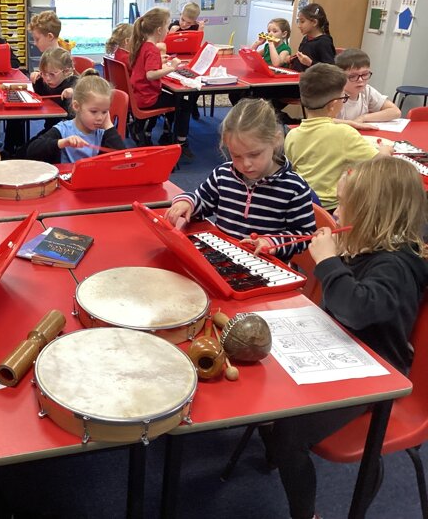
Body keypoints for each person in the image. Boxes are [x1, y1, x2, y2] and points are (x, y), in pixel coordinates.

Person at [267, 156, 428, 519]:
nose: (335, 214)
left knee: (290, 434)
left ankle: (305, 514)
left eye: (343, 205)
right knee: (264, 380)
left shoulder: (395, 265)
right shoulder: (368, 246)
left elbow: (355, 309)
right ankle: (270, 445)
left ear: (373, 213)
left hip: (375, 373)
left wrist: (328, 263)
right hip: (339, 349)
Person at [165, 98, 316, 260]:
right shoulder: (223, 174)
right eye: (236, 156)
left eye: (254, 154)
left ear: (276, 140)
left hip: (265, 267)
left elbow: (304, 235)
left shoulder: (294, 188)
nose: (246, 164)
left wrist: (272, 242)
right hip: (224, 259)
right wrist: (187, 202)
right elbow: (202, 200)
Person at [284, 63, 393, 212]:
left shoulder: (292, 135)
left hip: (303, 204)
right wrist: (385, 150)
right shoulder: (344, 134)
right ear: (333, 105)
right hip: (333, 208)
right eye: (344, 97)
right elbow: (381, 162)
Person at [128, 7, 192, 162]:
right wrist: (172, 68)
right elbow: (150, 75)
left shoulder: (143, 45)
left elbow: (145, 68)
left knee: (173, 98)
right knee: (185, 104)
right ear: (158, 30)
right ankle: (181, 141)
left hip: (138, 94)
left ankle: (163, 133)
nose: (168, 31)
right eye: (167, 27)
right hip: (148, 98)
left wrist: (160, 63)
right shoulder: (152, 49)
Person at [25, 69, 125, 163]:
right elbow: (31, 151)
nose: (100, 118)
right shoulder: (64, 130)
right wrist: (62, 142)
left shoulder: (103, 134)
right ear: (76, 106)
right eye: (94, 112)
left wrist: (109, 126)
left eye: (104, 112)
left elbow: (123, 160)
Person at [333, 48, 401, 129]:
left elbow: (395, 112)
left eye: (365, 74)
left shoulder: (366, 90)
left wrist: (363, 118)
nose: (360, 80)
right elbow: (323, 120)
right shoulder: (334, 94)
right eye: (353, 76)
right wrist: (354, 124)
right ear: (340, 76)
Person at [290, 3, 335, 72]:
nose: (299, 25)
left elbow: (330, 69)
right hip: (298, 75)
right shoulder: (306, 39)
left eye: (302, 21)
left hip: (312, 78)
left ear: (314, 22)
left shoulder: (324, 42)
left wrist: (310, 63)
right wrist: (292, 59)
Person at [28, 10, 64, 83]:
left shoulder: (63, 60)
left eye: (37, 39)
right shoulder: (46, 57)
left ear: (50, 36)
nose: (34, 43)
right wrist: (37, 74)